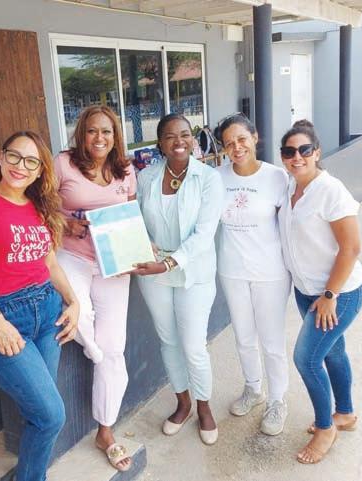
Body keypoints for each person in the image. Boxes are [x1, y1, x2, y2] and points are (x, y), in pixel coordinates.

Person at [0, 130, 79, 481]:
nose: (20, 166)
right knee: (51, 416)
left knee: (40, 413)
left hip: (48, 315)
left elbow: (49, 264)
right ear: (1, 157)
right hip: (2, 317)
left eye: (31, 161)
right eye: (14, 156)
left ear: (40, 171)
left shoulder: (39, 207)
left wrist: (73, 302)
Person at [54, 105, 136, 471]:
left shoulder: (125, 169)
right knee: (80, 317)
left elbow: (131, 212)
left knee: (114, 348)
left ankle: (106, 431)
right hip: (72, 256)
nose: (99, 137)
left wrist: (136, 251)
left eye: (106, 131)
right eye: (92, 131)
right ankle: (94, 351)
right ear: (81, 134)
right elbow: (39, 204)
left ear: (115, 136)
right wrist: (64, 223)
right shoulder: (63, 164)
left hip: (113, 262)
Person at [133, 113, 224, 445]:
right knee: (169, 341)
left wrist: (170, 262)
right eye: (170, 136)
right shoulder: (146, 177)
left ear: (193, 138)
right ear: (160, 143)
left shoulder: (209, 178)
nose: (179, 141)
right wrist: (146, 245)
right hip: (154, 272)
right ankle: (182, 403)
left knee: (193, 346)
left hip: (193, 271)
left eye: (185, 134)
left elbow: (204, 234)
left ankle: (204, 407)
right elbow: (136, 220)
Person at [278, 120, 362, 464]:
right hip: (307, 291)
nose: (296, 157)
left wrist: (329, 296)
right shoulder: (290, 187)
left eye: (304, 150)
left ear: (316, 152)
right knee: (332, 352)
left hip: (338, 294)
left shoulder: (331, 190)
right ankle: (344, 413)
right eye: (289, 151)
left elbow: (351, 248)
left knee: (307, 358)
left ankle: (326, 427)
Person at [214, 113, 291, 435]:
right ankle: (253, 388)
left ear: (255, 137)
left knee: (272, 341)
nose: (237, 147)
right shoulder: (216, 177)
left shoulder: (277, 178)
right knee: (244, 337)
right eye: (229, 143)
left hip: (271, 272)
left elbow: (292, 224)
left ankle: (277, 400)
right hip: (232, 269)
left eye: (242, 139)